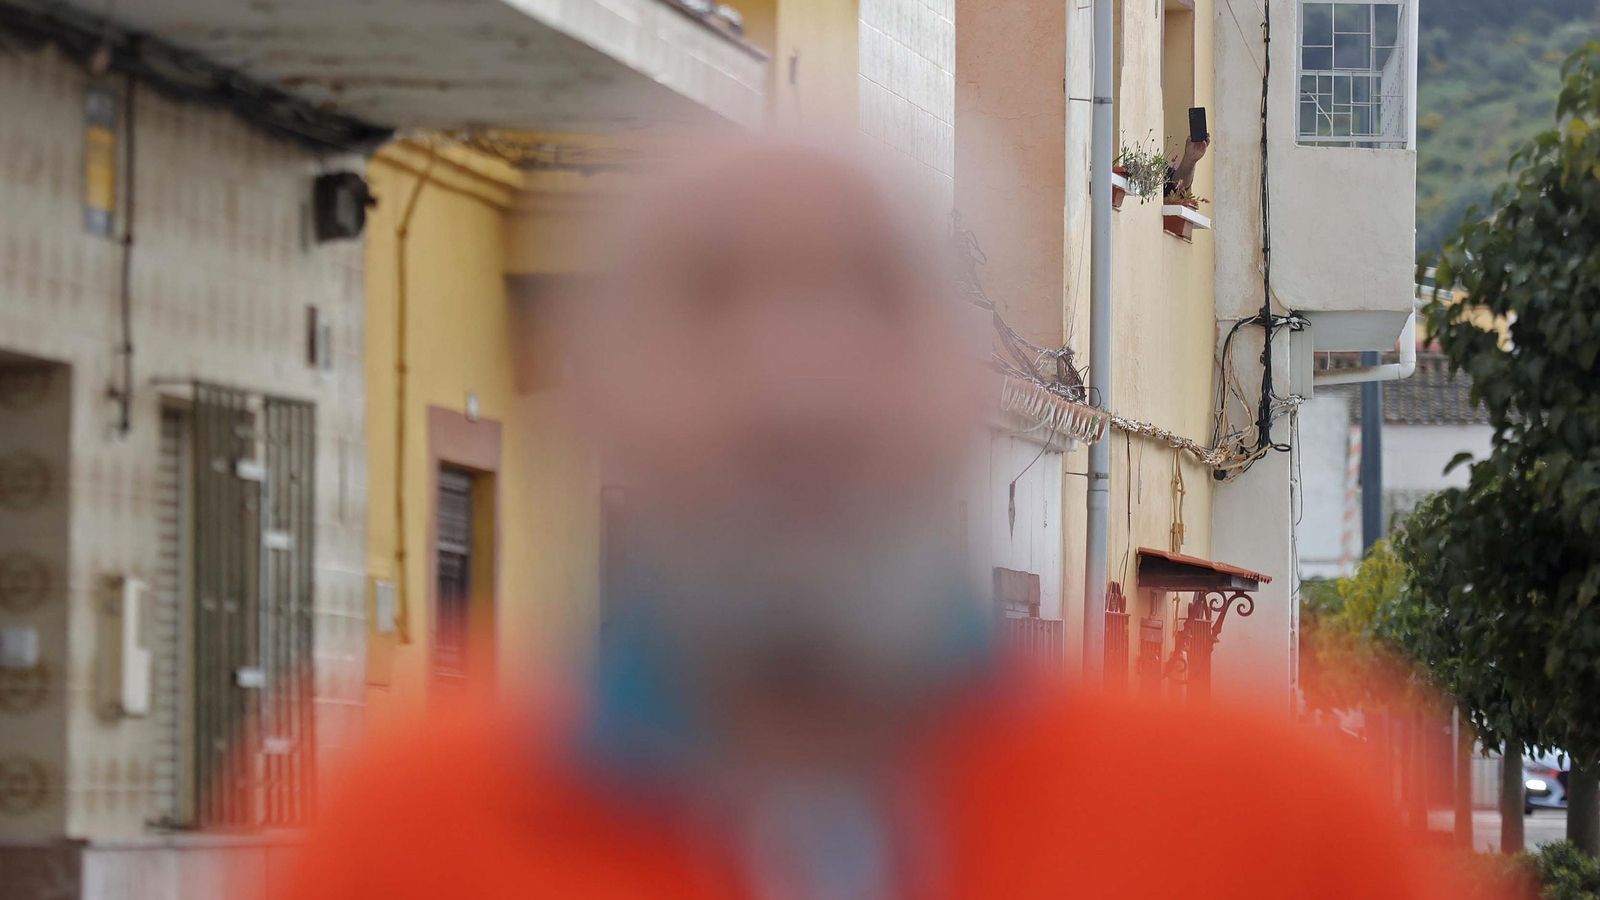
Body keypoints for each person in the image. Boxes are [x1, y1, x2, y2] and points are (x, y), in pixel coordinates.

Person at [277, 136, 1474, 900]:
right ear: (597, 392)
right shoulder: (400, 844)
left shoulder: (1273, 833)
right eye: (710, 302)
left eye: (871, 299)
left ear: (979, 389)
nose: (796, 388)